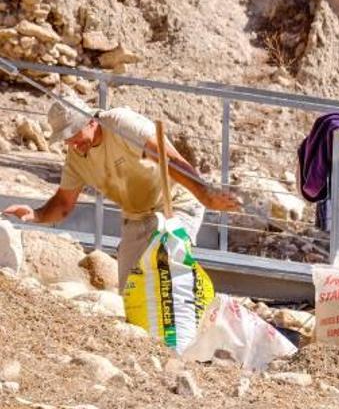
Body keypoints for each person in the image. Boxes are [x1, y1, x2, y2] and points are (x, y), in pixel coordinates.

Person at [3, 95, 239, 292]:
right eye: (66, 139)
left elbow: (170, 160)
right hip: (136, 218)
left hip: (174, 206)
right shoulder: (76, 157)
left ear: (90, 122)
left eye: (74, 134)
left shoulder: (120, 124)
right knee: (132, 293)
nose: (72, 143)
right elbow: (63, 203)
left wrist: (204, 194)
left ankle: (177, 340)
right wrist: (36, 215)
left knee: (165, 268)